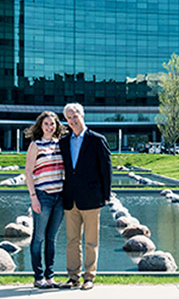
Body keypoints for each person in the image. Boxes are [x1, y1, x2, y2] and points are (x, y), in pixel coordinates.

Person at [58, 103, 112, 291]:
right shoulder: (63, 142)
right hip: (70, 199)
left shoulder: (97, 140)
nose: (72, 120)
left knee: (91, 241)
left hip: (91, 199)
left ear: (83, 115)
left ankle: (89, 277)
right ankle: (73, 277)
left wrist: (106, 195)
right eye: (69, 117)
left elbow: (106, 170)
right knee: (72, 241)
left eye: (75, 116)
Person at [24, 111, 67, 289]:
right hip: (43, 196)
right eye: (46, 124)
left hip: (60, 197)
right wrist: (34, 197)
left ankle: (50, 277)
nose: (50, 127)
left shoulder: (60, 144)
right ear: (40, 126)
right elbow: (28, 172)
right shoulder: (36, 145)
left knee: (52, 238)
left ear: (57, 126)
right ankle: (38, 277)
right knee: (39, 237)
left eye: (53, 124)